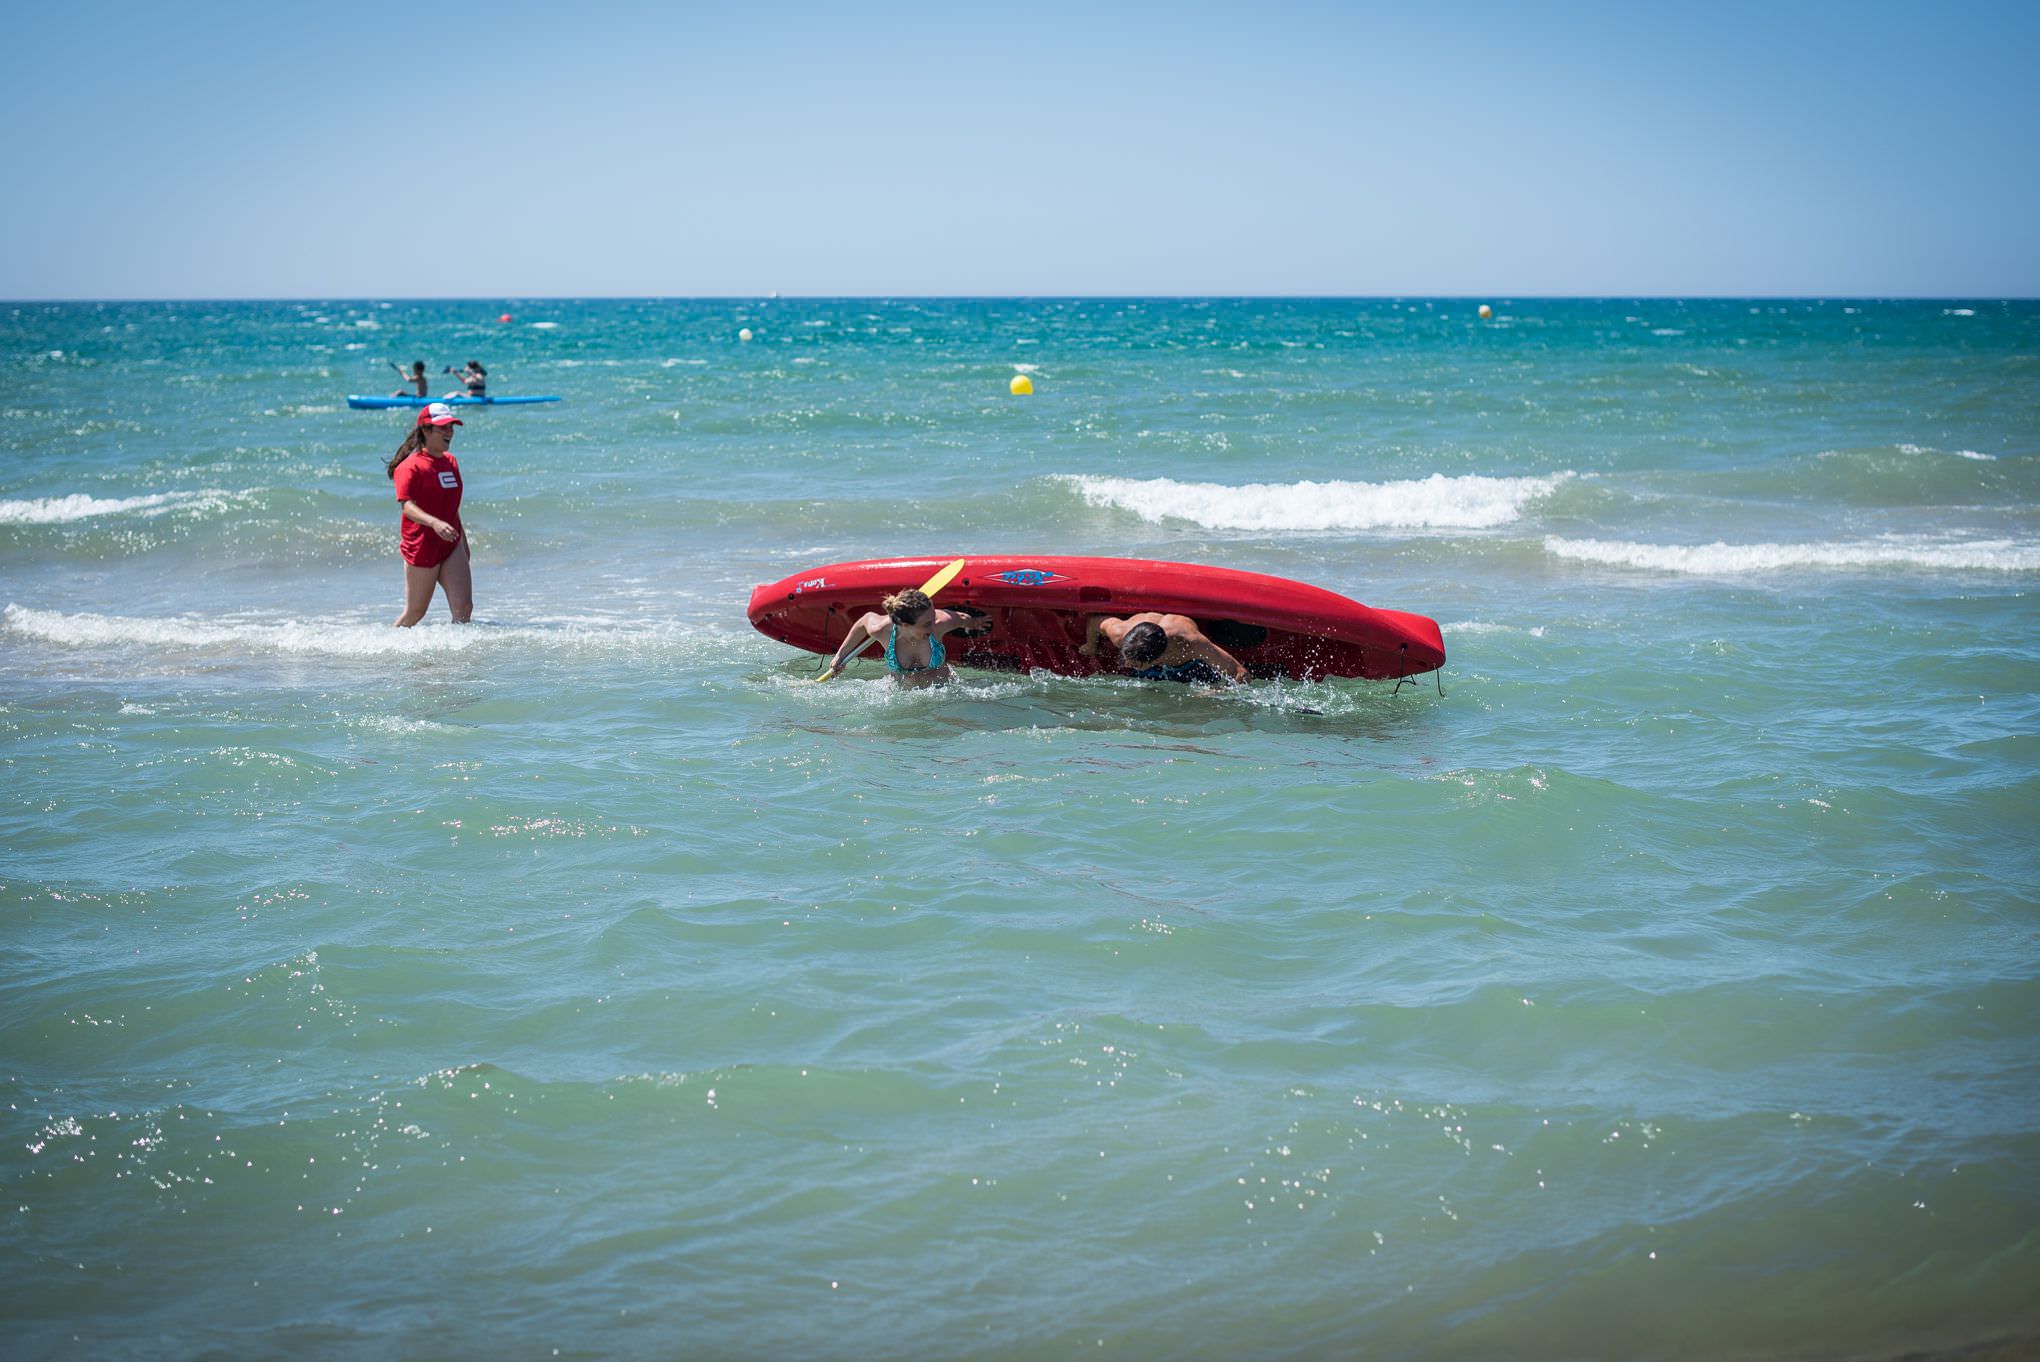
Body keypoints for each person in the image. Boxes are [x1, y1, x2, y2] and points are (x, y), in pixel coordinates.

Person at [385, 402, 472, 627]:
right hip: (421, 546)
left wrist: (463, 540)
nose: (449, 432)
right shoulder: (410, 467)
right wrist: (434, 523)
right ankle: (389, 651)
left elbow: (452, 506)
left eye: (451, 427)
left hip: (450, 544)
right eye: (442, 428)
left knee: (463, 608)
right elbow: (407, 506)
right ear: (425, 430)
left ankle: (460, 659)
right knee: (415, 613)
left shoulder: (450, 461)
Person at [818, 588, 980, 689]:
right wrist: (840, 656)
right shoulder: (881, 630)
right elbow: (863, 622)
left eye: (933, 617)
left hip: (944, 692)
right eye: (926, 624)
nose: (932, 626)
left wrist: (976, 624)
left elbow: (963, 618)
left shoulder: (939, 622)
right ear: (904, 624)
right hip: (901, 696)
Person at [1081, 613, 1249, 685]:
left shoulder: (1190, 643)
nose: (1126, 664)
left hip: (1189, 665)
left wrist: (1215, 692)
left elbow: (1241, 674)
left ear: (1156, 660)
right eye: (1126, 657)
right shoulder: (1120, 633)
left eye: (1135, 664)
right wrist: (1091, 646)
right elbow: (1094, 621)